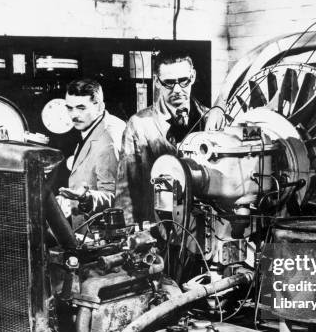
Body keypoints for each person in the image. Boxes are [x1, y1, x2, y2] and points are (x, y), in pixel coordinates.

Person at [117, 51, 207, 224]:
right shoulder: (139, 125)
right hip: (158, 230)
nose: (177, 90)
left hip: (204, 231)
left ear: (193, 76)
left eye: (184, 81)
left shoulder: (209, 119)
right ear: (157, 81)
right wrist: (133, 235)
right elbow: (126, 189)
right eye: (169, 83)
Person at [58, 79, 123, 222]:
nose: (74, 115)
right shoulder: (96, 126)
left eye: (81, 108)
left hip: (97, 233)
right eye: (69, 108)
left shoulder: (107, 141)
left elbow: (115, 197)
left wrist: (85, 198)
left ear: (99, 106)